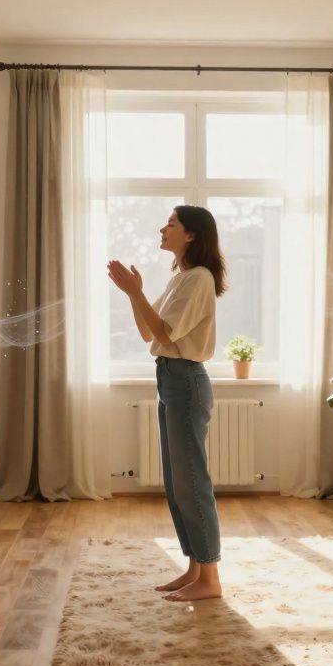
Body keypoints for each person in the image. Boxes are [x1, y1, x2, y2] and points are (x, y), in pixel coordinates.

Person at [107, 205, 227, 602]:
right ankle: (195, 568)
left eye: (171, 223)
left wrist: (136, 292)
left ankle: (210, 579)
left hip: (186, 382)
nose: (163, 228)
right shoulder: (181, 278)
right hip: (170, 379)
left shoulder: (199, 279)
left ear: (191, 234)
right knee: (178, 484)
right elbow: (149, 332)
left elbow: (164, 331)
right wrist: (134, 295)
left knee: (192, 481)